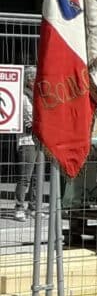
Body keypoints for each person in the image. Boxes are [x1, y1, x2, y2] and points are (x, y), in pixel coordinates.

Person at [12, 67, 37, 222]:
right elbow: (29, 122)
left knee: (36, 177)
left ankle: (33, 207)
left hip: (39, 141)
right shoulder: (22, 97)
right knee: (25, 177)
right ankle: (19, 207)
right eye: (35, 78)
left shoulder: (37, 96)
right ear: (28, 80)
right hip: (27, 141)